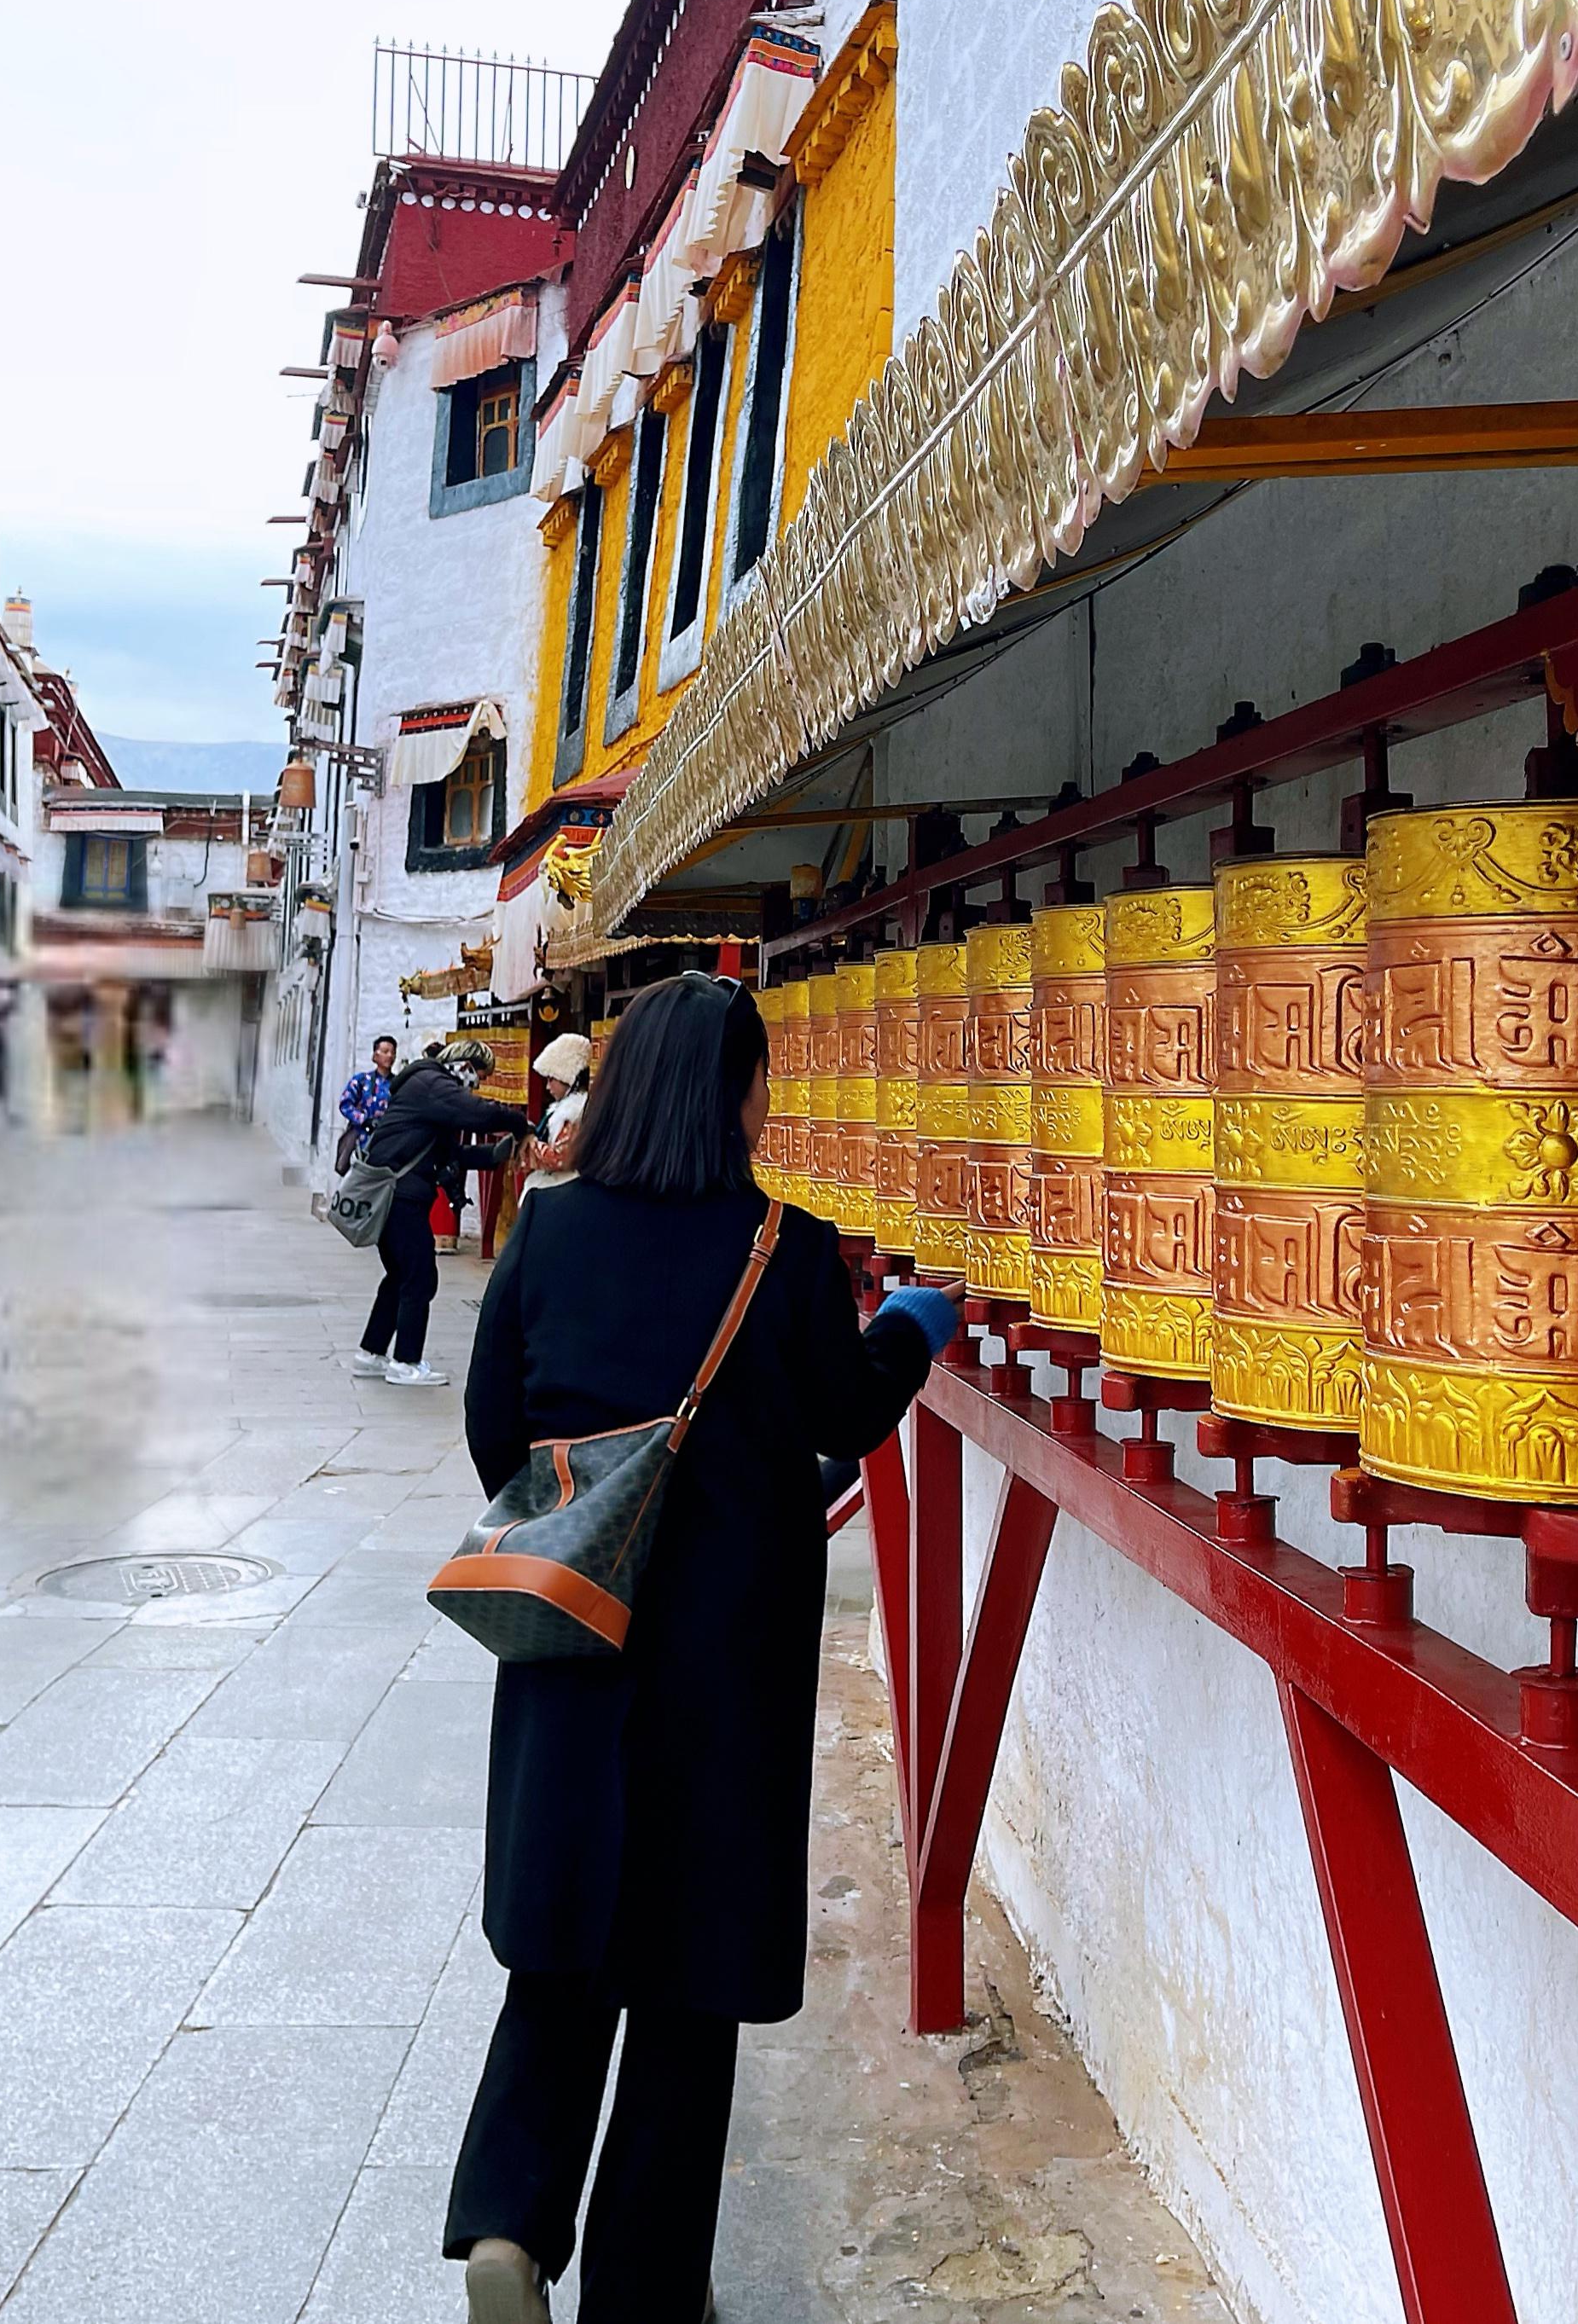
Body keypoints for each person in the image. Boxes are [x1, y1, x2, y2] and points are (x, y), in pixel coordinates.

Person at [444, 976, 955, 2323]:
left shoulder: (545, 1231)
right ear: (736, 1093)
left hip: (573, 1633)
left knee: (563, 1949)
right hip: (724, 1663)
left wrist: (593, 1514)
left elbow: (497, 1424)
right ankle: (644, 2288)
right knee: (686, 1981)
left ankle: (508, 2221)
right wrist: (910, 1326)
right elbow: (844, 1414)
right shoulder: (780, 1246)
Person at [350, 1038, 528, 1388]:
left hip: (396, 1195)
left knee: (401, 1276)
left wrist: (497, 1153)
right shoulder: (431, 1083)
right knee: (419, 1278)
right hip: (400, 1196)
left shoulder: (429, 1091)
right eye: (477, 1074)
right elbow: (478, 1114)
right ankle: (406, 1361)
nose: (476, 1083)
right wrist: (518, 1123)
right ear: (463, 1064)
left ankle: (371, 1353)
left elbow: (449, 1156)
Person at [515, 1032, 594, 1195]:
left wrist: (530, 1144)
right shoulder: (566, 1110)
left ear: (568, 1078)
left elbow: (559, 1159)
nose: (547, 1087)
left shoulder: (574, 1113)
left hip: (564, 1190)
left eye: (551, 1079)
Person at [334, 1034, 397, 1174]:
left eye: (393, 1052)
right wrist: (363, 1119)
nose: (390, 1056)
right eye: (386, 1051)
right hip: (361, 1140)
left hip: (386, 1142)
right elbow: (345, 1104)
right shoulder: (361, 1081)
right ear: (375, 1055)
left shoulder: (397, 1084)